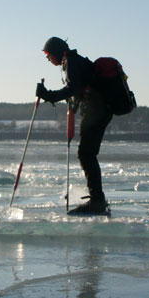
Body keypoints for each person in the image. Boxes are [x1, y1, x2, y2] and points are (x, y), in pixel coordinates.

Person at [36, 37, 113, 215]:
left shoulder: (71, 61)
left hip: (97, 110)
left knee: (86, 153)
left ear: (56, 52)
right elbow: (79, 89)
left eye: (48, 55)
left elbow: (74, 88)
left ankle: (97, 201)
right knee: (87, 153)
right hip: (98, 110)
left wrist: (49, 95)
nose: (48, 59)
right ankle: (97, 199)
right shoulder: (74, 61)